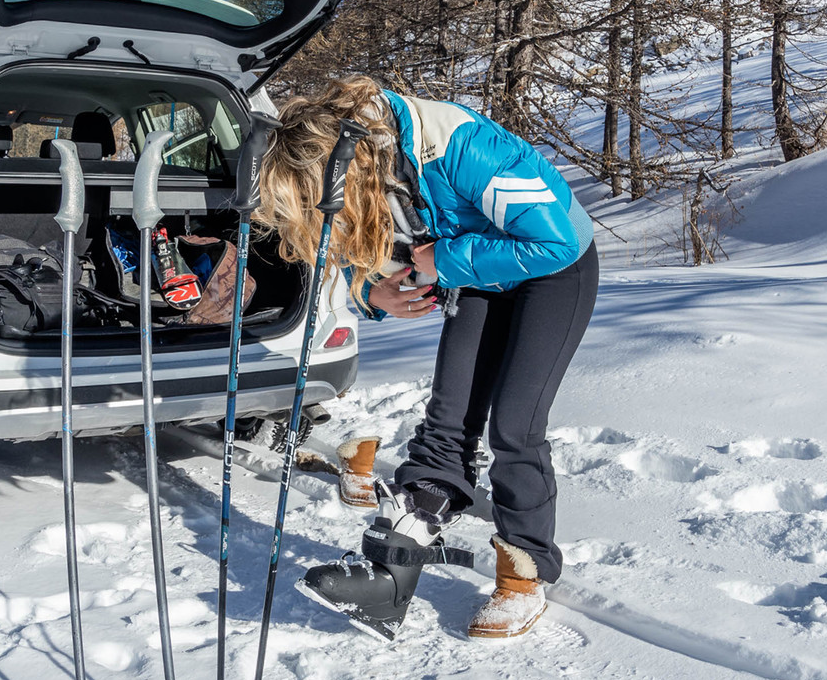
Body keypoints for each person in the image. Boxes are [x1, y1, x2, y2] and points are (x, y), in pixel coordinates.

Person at [256, 74, 598, 639]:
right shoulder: (366, 158)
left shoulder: (459, 146)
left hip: (554, 271)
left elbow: (553, 241)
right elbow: (355, 241)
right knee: (448, 418)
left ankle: (524, 580)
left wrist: (444, 260)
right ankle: (390, 574)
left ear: (354, 165)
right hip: (476, 265)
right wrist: (372, 290)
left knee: (515, 425)